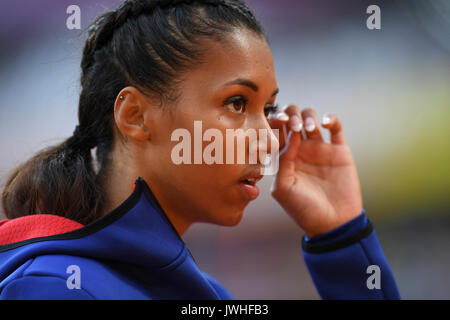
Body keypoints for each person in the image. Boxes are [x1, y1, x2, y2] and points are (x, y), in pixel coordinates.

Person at [0, 0, 400, 299]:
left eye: (270, 109)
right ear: (136, 116)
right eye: (237, 103)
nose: (269, 138)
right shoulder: (54, 287)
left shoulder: (210, 296)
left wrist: (341, 237)